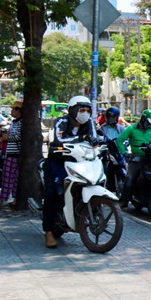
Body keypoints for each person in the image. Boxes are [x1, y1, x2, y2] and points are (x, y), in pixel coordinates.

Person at [42, 96, 99, 248]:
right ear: (73, 110)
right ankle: (48, 232)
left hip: (80, 163)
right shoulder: (61, 121)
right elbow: (58, 141)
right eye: (82, 110)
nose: (85, 113)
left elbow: (95, 138)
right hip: (57, 163)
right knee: (52, 195)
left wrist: (98, 141)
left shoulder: (89, 123)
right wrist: (82, 137)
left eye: (88, 110)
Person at [115, 109, 151, 208]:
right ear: (143, 120)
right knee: (130, 179)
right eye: (149, 123)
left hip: (150, 158)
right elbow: (119, 140)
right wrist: (125, 153)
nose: (150, 125)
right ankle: (124, 201)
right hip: (136, 159)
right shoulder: (131, 129)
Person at [0, 100, 22, 209]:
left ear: (18, 111)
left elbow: (18, 137)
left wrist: (6, 137)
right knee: (14, 178)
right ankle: (15, 198)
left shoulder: (21, 123)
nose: (12, 111)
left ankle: (1, 200)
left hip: (14, 153)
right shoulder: (14, 122)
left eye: (13, 109)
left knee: (7, 177)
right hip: (11, 152)